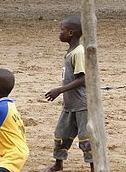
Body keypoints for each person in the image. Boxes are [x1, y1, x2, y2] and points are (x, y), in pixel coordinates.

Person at [43, 16, 93, 172]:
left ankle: (94, 166)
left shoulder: (79, 52)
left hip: (81, 105)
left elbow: (83, 79)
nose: (60, 32)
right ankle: (58, 164)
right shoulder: (71, 52)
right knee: (61, 134)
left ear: (71, 33)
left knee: (86, 137)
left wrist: (59, 90)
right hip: (70, 105)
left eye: (62, 29)